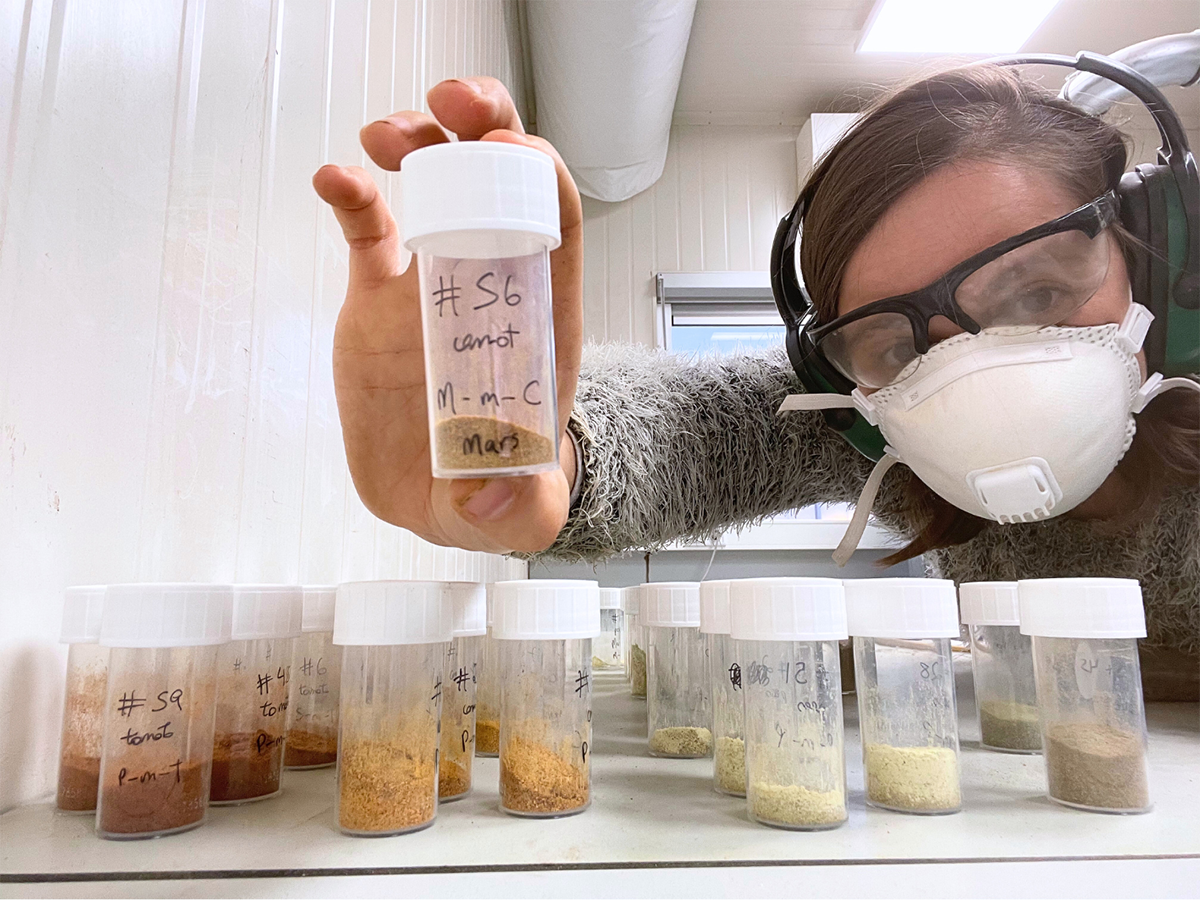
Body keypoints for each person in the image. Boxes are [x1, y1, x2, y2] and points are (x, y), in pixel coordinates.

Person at [313, 70, 1200, 698]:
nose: (980, 372)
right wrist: (519, 444)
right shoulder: (877, 425)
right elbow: (694, 432)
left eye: (1038, 291)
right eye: (896, 344)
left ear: (1161, 262)